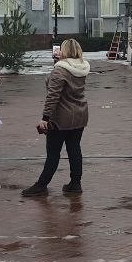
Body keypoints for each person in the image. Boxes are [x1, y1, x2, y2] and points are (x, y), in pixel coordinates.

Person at [22, 38, 90, 197]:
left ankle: (41, 185)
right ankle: (75, 184)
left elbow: (53, 96)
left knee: (53, 153)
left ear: (64, 51)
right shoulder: (81, 67)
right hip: (80, 115)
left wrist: (45, 118)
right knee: (74, 150)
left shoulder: (60, 70)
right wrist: (57, 64)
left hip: (61, 118)